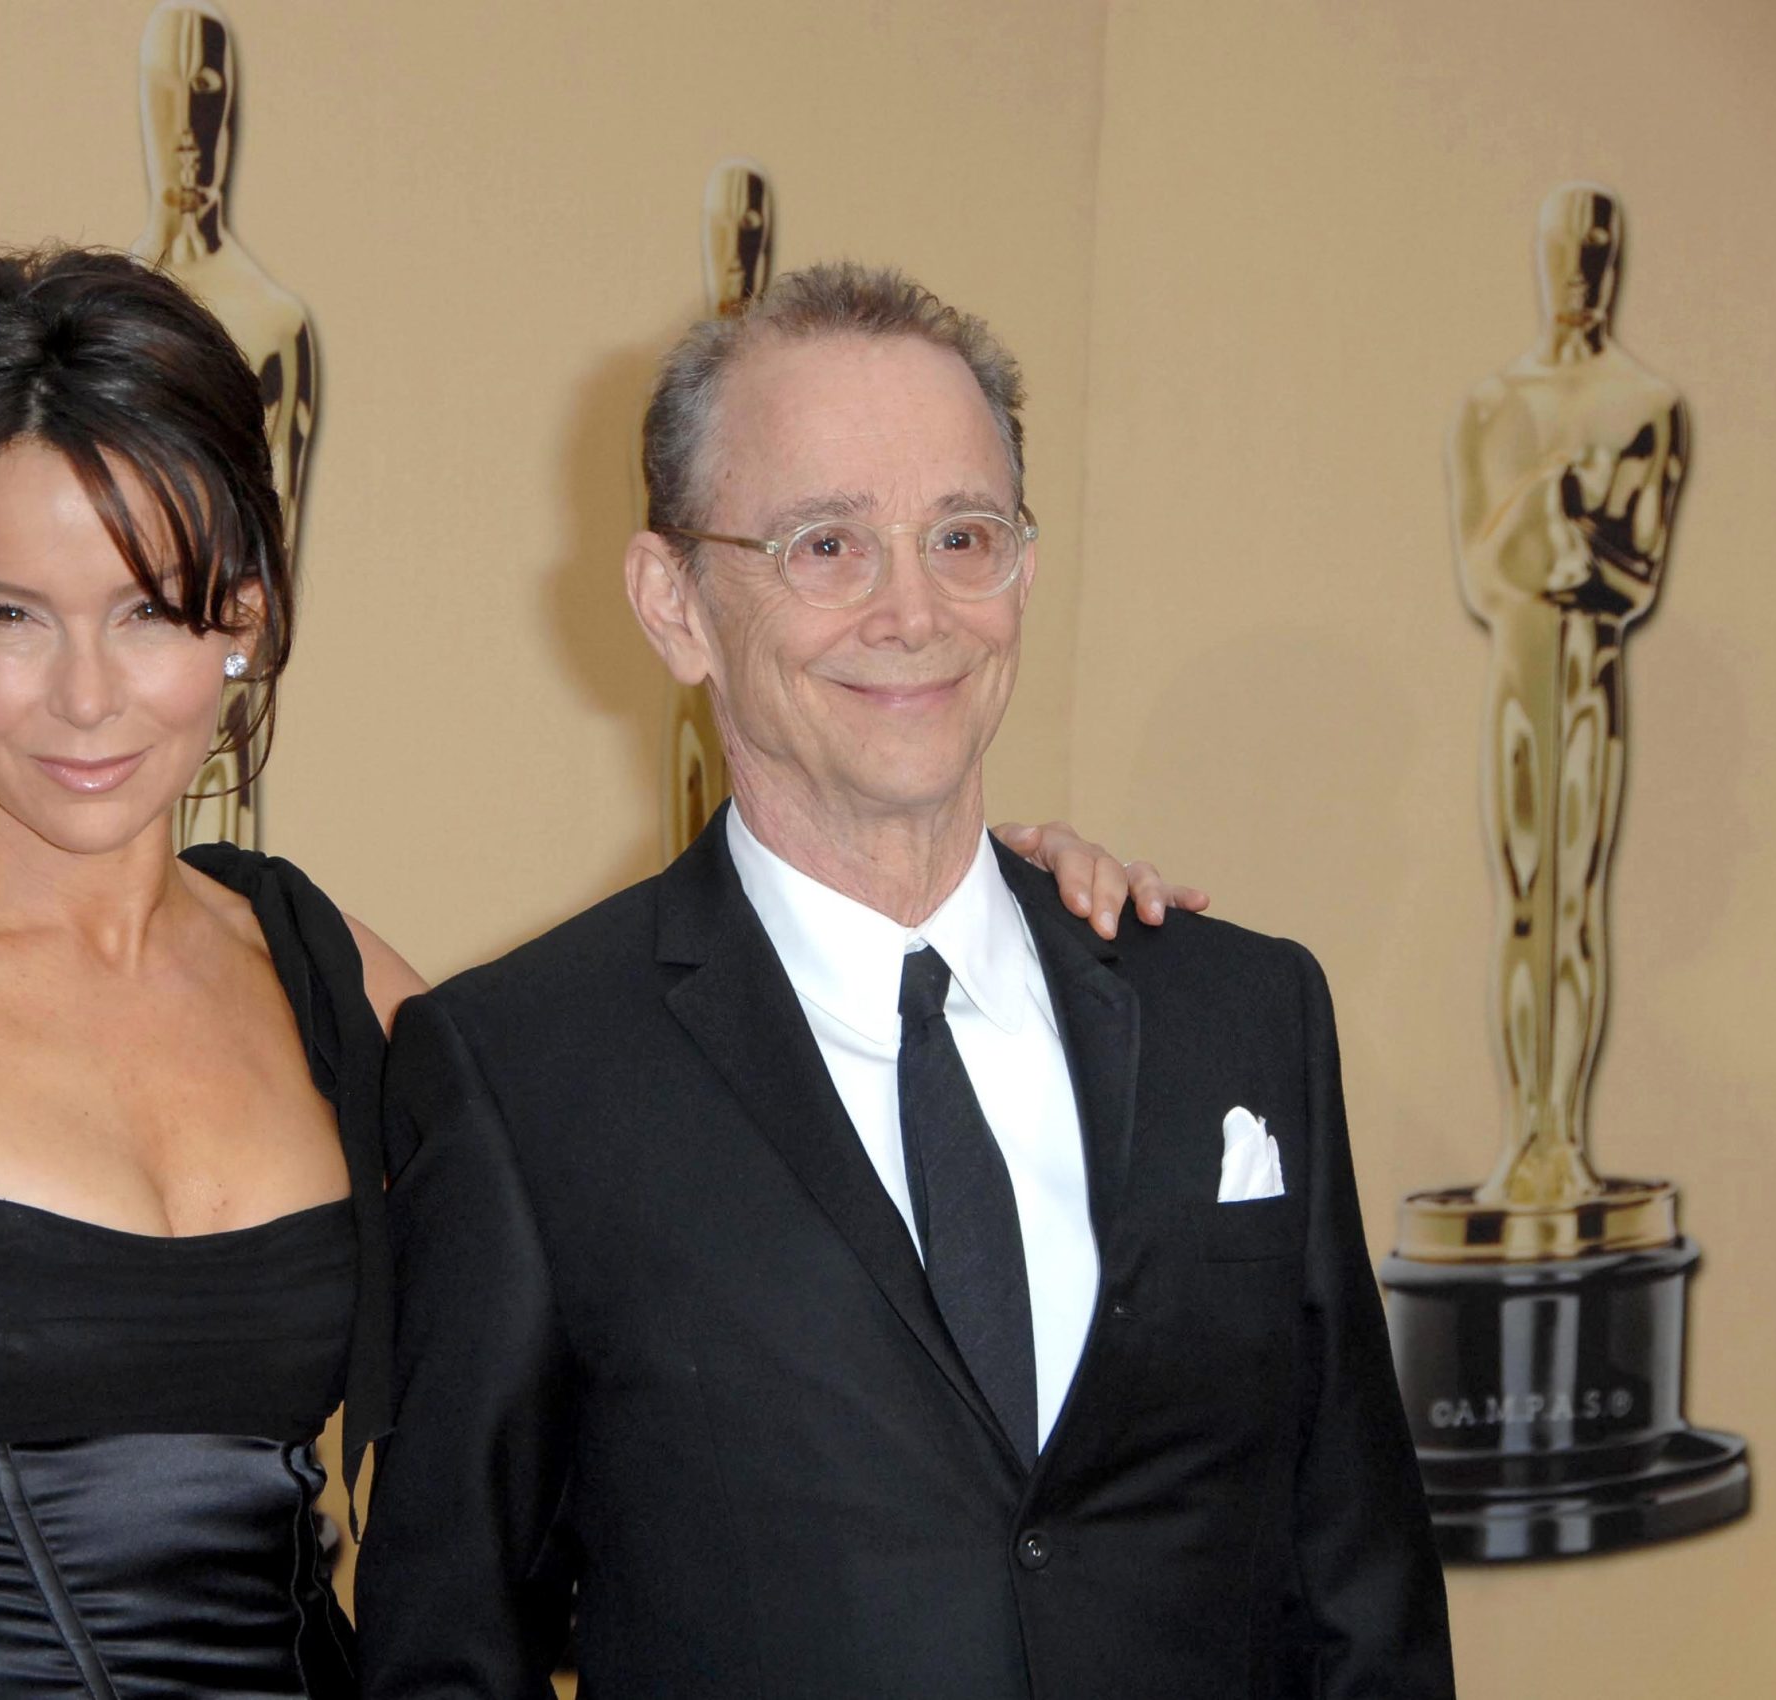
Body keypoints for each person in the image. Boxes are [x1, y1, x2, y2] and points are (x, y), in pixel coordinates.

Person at [0, 246, 1187, 1699]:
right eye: (13, 616)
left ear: (245, 620)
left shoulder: (340, 985)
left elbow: (721, 1166)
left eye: (152, 613)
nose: (88, 698)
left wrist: (986, 916)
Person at [357, 263, 1453, 1699]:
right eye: (825, 546)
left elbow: (1359, 1593)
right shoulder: (523, 1072)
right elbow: (450, 1651)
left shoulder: (1239, 1016)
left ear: (1025, 569)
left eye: (961, 534)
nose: (913, 610)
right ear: (676, 603)